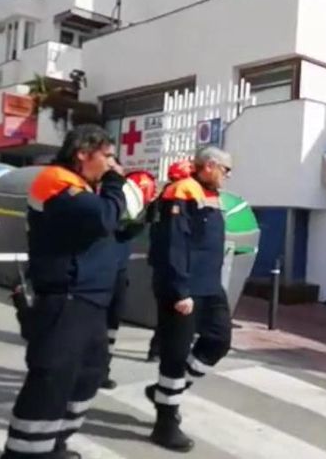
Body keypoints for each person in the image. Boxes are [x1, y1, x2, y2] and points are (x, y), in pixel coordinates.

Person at [1, 125, 126, 459]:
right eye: (108, 156)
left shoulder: (84, 188)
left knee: (88, 374)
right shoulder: (57, 180)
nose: (113, 164)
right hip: (65, 298)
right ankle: (24, 453)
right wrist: (116, 184)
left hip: (89, 299)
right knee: (52, 377)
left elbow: (111, 229)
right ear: (83, 153)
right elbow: (102, 219)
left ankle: (53, 443)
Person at [144, 147, 233, 452]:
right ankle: (165, 424)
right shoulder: (182, 191)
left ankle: (165, 391)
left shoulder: (208, 194)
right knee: (175, 354)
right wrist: (180, 291)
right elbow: (174, 245)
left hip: (210, 286)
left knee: (218, 341)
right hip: (183, 288)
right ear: (209, 166)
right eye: (226, 169)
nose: (227, 176)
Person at [102, 164, 157, 390]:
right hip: (99, 273)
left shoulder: (128, 213)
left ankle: (102, 370)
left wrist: (143, 218)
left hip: (118, 273)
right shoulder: (104, 205)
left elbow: (125, 234)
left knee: (112, 324)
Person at [145, 159, 196, 363]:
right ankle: (169, 351)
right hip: (172, 263)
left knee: (164, 309)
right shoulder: (179, 196)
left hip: (158, 262)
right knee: (177, 310)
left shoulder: (161, 196)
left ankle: (156, 350)